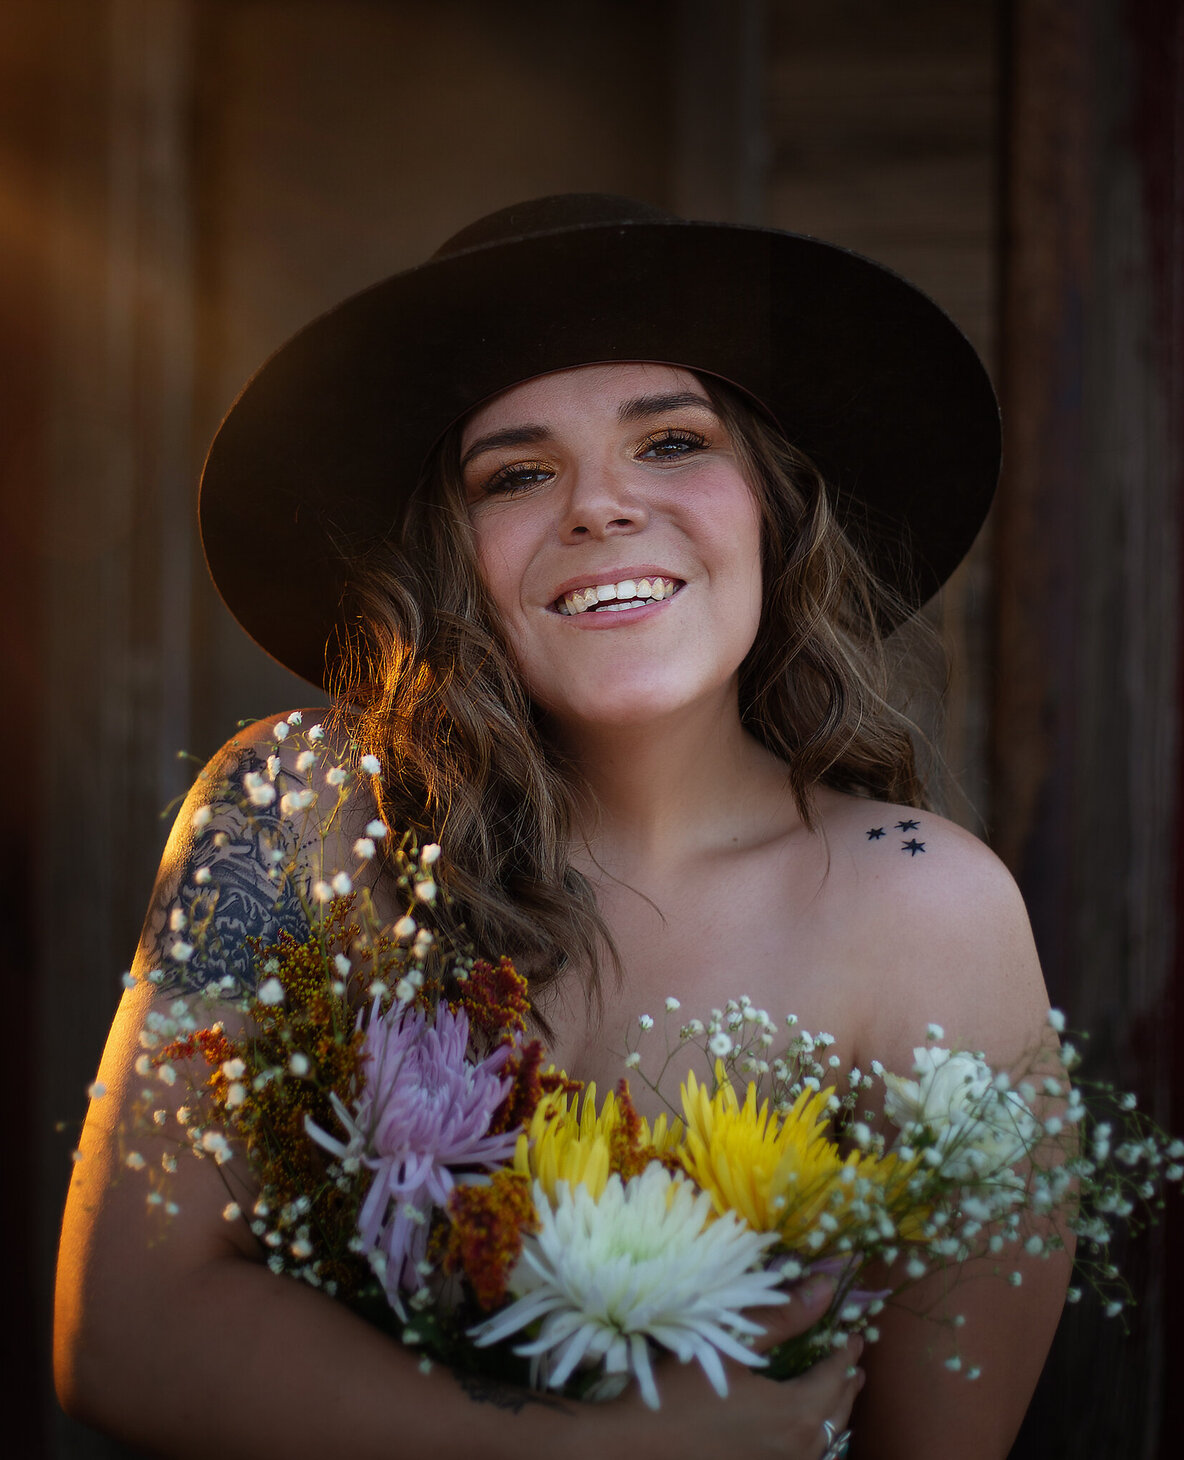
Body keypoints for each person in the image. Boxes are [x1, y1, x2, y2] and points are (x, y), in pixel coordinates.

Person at [54, 194, 1068, 1460]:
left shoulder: (928, 909)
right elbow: (121, 1338)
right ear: (446, 556)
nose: (599, 507)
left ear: (771, 504)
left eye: (672, 442)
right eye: (519, 474)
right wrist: (589, 1449)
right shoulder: (293, 817)